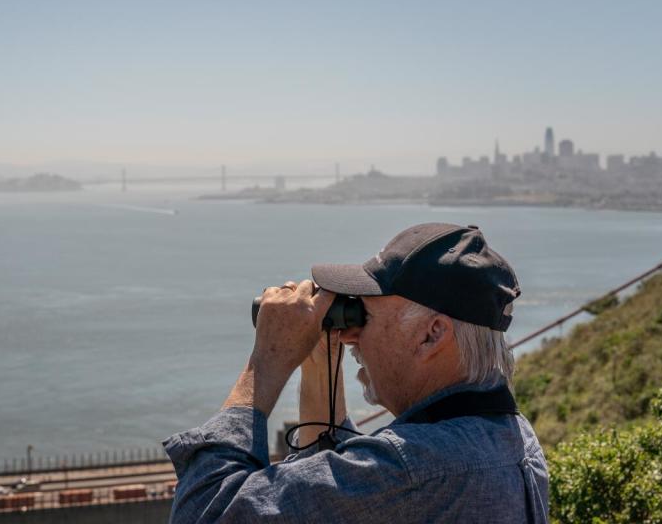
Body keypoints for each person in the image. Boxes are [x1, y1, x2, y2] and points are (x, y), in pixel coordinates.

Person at [164, 222, 549, 523]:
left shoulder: (412, 470)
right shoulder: (510, 438)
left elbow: (206, 513)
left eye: (366, 313)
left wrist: (268, 359)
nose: (352, 334)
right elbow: (335, 499)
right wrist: (319, 363)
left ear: (431, 335)